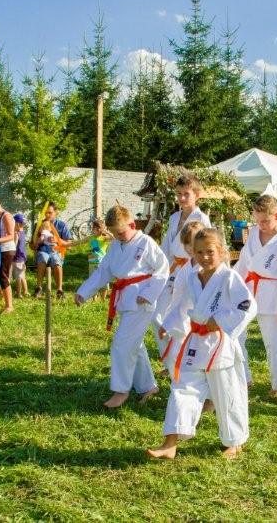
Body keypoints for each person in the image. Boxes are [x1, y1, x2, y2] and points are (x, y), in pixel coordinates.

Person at [148, 228, 257, 460]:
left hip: (220, 345)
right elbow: (183, 306)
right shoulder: (192, 278)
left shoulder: (229, 277)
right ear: (193, 253)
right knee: (182, 389)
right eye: (199, 252)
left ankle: (234, 442)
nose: (204, 257)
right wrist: (169, 324)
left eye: (210, 251)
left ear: (222, 251)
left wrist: (219, 321)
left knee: (227, 395)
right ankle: (170, 443)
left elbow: (247, 305)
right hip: (196, 343)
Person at [75, 205, 168, 408]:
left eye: (121, 232)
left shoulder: (146, 242)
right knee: (134, 344)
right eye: (115, 233)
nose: (118, 236)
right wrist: (84, 292)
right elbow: (104, 271)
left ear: (132, 224)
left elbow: (162, 269)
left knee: (121, 345)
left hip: (141, 300)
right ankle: (148, 387)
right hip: (124, 299)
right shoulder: (116, 245)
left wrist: (148, 293)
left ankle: (121, 390)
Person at [234, 195, 277, 397]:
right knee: (236, 334)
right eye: (257, 220)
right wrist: (232, 285)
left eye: (265, 221)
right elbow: (243, 263)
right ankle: (243, 377)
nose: (260, 225)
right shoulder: (254, 233)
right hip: (248, 289)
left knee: (274, 342)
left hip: (273, 295)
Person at [154, 175, 211, 356]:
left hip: (192, 270)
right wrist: (157, 267)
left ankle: (182, 359)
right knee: (158, 315)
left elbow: (207, 249)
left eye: (186, 194)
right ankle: (168, 359)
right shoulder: (174, 217)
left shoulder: (202, 219)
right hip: (171, 268)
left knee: (182, 317)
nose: (182, 198)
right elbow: (166, 246)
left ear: (197, 195)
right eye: (178, 194)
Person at [157, 220, 206, 373]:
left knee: (194, 358)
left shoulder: (205, 267)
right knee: (176, 355)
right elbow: (178, 296)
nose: (189, 248)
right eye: (186, 244)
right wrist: (169, 321)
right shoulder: (187, 266)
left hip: (196, 319)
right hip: (181, 317)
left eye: (192, 243)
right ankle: (179, 381)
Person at [33, 202, 74, 299]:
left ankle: (59, 290)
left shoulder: (61, 225)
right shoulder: (39, 225)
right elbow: (32, 244)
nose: (47, 215)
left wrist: (57, 240)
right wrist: (36, 244)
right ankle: (39, 288)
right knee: (42, 257)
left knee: (56, 260)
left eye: (50, 213)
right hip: (43, 250)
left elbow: (69, 244)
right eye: (45, 213)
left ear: (56, 212)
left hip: (57, 251)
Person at [12, 214, 28, 299]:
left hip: (17, 257)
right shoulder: (23, 232)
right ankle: (25, 291)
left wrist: (11, 254)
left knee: (18, 277)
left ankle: (18, 294)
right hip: (23, 257)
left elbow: (14, 245)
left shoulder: (16, 233)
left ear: (17, 224)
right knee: (22, 276)